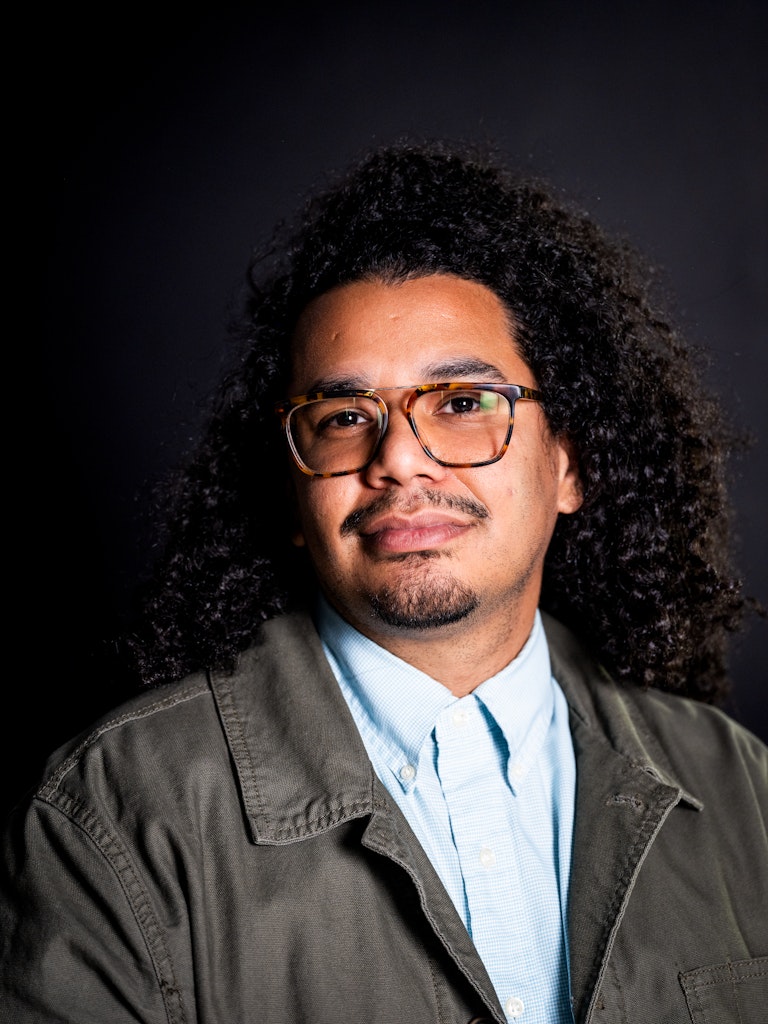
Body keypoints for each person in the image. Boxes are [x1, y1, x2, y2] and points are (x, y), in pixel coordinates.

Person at [2, 139, 766, 1024]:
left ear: (571, 464)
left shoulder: (743, 789)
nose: (399, 457)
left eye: (464, 402)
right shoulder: (113, 819)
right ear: (294, 493)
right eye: (343, 417)